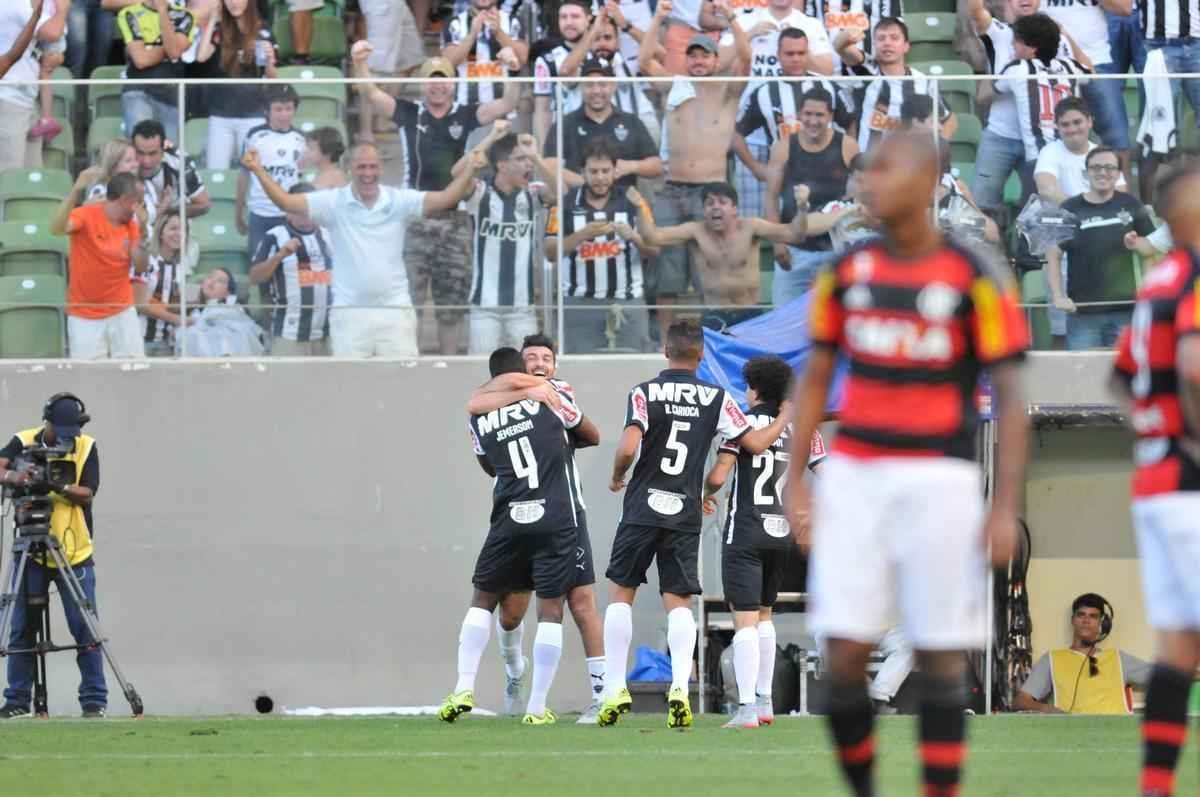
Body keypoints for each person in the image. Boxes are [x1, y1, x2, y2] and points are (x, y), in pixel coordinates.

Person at [784, 133, 1029, 797]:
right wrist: (794, 478)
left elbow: (1009, 396)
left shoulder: (975, 275)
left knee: (942, 658)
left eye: (883, 167)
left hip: (940, 479)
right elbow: (816, 380)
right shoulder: (846, 272)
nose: (868, 179)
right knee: (841, 656)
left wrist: (1003, 505)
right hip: (857, 477)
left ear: (927, 182)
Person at [597, 318, 791, 728]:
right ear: (702, 356)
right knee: (679, 600)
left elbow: (629, 445)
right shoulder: (718, 398)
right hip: (685, 511)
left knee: (622, 591)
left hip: (642, 507)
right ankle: (680, 689)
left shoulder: (645, 391)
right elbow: (753, 443)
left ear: (665, 351)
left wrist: (618, 475)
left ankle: (613, 688)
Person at [1109, 162, 1200, 797]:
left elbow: (1119, 377)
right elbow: (1194, 367)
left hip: (1155, 481)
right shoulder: (1191, 275)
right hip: (1190, 481)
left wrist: (1155, 432)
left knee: (1179, 648)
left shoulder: (1155, 281)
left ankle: (1156, 785)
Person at [441, 347, 591, 726]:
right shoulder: (550, 399)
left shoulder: (478, 417)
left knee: (482, 601)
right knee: (551, 609)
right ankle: (537, 707)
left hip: (510, 516)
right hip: (555, 514)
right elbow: (590, 434)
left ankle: (463, 687)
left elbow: (487, 464)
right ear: (518, 374)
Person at [241, 141, 487, 358]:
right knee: (351, 390)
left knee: (401, 386)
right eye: (361, 167)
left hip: (395, 311)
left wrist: (471, 170)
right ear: (349, 169)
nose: (367, 173)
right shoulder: (332, 202)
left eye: (373, 166)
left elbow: (445, 198)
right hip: (349, 313)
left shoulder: (399, 200)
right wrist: (258, 170)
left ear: (381, 168)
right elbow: (285, 201)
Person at [351, 46, 518, 355]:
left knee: (451, 303)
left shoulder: (467, 113)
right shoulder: (409, 112)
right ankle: (408, 361)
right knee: (409, 299)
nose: (438, 85)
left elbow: (508, 102)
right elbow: (371, 94)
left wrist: (510, 69)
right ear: (424, 84)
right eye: (432, 79)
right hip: (414, 216)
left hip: (456, 218)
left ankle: (447, 366)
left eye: (444, 80)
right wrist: (359, 62)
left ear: (453, 83)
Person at [701, 355, 827, 729]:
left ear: (754, 389)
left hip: (746, 530)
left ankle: (745, 709)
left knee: (744, 620)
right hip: (781, 532)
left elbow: (721, 475)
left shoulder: (741, 424)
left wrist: (704, 491)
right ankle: (766, 702)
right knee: (766, 615)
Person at [639, 2, 749, 341]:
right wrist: (658, 17)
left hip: (711, 192)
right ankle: (663, 342)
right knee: (666, 274)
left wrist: (730, 16)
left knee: (713, 274)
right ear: (686, 60)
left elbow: (746, 58)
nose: (699, 61)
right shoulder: (675, 86)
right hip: (672, 189)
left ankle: (715, 340)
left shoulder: (728, 92)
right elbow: (644, 63)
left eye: (706, 56)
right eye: (693, 56)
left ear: (716, 61)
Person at [0, 394, 106, 719]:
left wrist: (56, 485)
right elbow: (2, 466)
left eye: (69, 430)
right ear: (46, 421)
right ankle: (17, 699)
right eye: (58, 429)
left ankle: (94, 701)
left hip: (73, 553)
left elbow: (88, 492)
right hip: (31, 550)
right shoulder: (24, 441)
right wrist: (13, 478)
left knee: (84, 626)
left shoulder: (86, 445)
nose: (64, 436)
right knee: (21, 628)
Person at [631, 181, 809, 330]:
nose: (715, 207)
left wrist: (802, 209)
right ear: (703, 210)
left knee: (751, 369)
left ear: (735, 209)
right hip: (714, 315)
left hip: (750, 313)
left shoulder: (751, 227)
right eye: (709, 203)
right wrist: (640, 206)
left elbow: (795, 234)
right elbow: (651, 237)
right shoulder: (695, 231)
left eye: (722, 202)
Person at [967, 0, 1090, 214]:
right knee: (982, 205)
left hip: (1042, 143)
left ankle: (1023, 245)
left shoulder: (1056, 37)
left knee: (1038, 209)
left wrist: (1065, 34)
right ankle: (985, 247)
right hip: (1001, 134)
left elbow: (1089, 68)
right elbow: (977, 11)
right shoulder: (1000, 31)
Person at [720, 0, 833, 221]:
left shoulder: (810, 24)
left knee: (799, 212)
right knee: (752, 218)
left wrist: (793, 46)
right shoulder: (744, 19)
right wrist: (749, 35)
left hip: (799, 136)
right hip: (751, 135)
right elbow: (718, 63)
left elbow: (827, 70)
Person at [545, 136, 657, 353]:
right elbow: (550, 252)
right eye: (593, 171)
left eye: (605, 171)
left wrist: (633, 236)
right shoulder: (563, 205)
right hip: (579, 305)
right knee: (580, 375)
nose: (600, 178)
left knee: (631, 374)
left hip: (627, 302)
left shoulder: (634, 201)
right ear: (583, 172)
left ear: (615, 171)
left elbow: (654, 250)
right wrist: (582, 234)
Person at [1046, 146, 1155, 350]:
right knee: (1082, 376)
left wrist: (1137, 244)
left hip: (1126, 311)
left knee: (1126, 378)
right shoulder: (1070, 208)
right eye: (1095, 167)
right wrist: (1058, 296)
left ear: (1118, 173)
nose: (1102, 172)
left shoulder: (1132, 204)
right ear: (1086, 172)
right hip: (1083, 313)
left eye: (1109, 167)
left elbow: (1151, 250)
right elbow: (1053, 254)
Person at [762, 88, 858, 306]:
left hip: (836, 250)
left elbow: (859, 195)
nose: (813, 121)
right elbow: (770, 197)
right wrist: (778, 243)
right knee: (783, 322)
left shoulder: (847, 146)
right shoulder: (783, 147)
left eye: (819, 115)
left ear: (830, 116)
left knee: (834, 324)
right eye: (808, 114)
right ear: (798, 114)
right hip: (796, 251)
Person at [465, 132, 554, 354]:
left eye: (528, 160)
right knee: (482, 373)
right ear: (502, 165)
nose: (528, 165)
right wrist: (489, 140)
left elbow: (561, 193)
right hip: (484, 306)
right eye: (521, 159)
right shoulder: (480, 193)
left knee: (526, 374)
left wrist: (536, 157)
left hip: (522, 308)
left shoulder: (533, 193)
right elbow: (456, 174)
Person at [50, 170, 148, 360]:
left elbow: (141, 266)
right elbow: (56, 228)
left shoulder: (132, 225)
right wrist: (76, 189)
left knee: (135, 375)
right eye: (139, 201)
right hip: (84, 315)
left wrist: (143, 232)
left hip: (122, 311)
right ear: (125, 200)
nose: (141, 207)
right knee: (88, 380)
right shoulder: (86, 215)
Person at [531, 2, 658, 145]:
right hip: (582, 137)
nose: (569, 22)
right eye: (563, 17)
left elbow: (660, 54)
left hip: (631, 137)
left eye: (575, 16)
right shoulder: (580, 65)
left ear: (618, 42)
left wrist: (626, 25)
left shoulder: (624, 61)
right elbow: (565, 73)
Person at [1041, 0, 1133, 181]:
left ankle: (1124, 203)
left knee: (1117, 139)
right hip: (1050, 64)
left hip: (1097, 61)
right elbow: (1013, 15)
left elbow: (1124, 9)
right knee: (1050, 138)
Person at [1013, 593, 1150, 714]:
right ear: (1073, 620)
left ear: (1102, 624)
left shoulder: (1119, 658)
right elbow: (1020, 701)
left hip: (1116, 737)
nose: (1086, 621)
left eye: (1093, 616)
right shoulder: (1052, 659)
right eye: (1081, 615)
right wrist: (1048, 709)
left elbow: (1163, 677)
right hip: (1071, 736)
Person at [836, 16, 957, 153]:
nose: (887, 43)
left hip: (911, 164)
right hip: (870, 166)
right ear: (874, 44)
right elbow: (840, 48)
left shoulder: (923, 81)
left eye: (894, 38)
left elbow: (949, 120)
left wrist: (937, 151)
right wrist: (846, 36)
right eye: (881, 38)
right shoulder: (867, 70)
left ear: (906, 46)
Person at [541, 56, 662, 193]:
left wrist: (632, 166)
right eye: (590, 85)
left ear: (613, 86)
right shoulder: (564, 125)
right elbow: (549, 167)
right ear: (581, 87)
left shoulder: (631, 122)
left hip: (624, 207)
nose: (596, 91)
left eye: (602, 84)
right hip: (577, 207)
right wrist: (589, 183)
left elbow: (656, 166)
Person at [193, 0, 279, 170]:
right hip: (220, 114)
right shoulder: (220, 30)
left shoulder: (262, 30)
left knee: (252, 172)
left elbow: (272, 77)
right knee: (215, 170)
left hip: (252, 113)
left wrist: (269, 61)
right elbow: (201, 56)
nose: (233, 2)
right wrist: (212, 20)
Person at [994, 14, 1090, 167]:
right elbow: (1092, 74)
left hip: (1039, 158)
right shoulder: (1070, 66)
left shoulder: (1016, 69)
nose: (1012, 44)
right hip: (1073, 154)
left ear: (1032, 48)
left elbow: (987, 92)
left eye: (1017, 41)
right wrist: (1064, 34)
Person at [249, 183, 333, 356]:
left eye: (309, 206)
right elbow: (255, 277)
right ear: (288, 210)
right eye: (298, 206)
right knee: (287, 383)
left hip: (327, 334)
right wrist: (280, 255)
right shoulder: (275, 236)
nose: (304, 212)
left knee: (328, 383)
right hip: (289, 335)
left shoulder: (329, 236)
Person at [236, 84, 306, 259]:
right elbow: (244, 175)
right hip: (261, 213)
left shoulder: (300, 138)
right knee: (259, 265)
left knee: (291, 266)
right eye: (278, 109)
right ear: (267, 111)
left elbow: (302, 177)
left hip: (290, 214)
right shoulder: (255, 136)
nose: (284, 114)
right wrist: (238, 212)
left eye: (289, 109)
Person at [116, 0, 196, 143]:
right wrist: (167, 46)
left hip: (170, 96)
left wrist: (162, 12)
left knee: (170, 154)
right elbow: (140, 60)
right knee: (140, 148)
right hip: (137, 90)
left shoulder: (185, 15)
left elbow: (174, 52)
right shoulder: (129, 13)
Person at [1035, 97, 1128, 205]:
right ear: (1057, 127)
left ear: (1089, 122)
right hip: (1062, 218)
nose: (1072, 129)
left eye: (1077, 122)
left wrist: (1095, 213)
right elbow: (1046, 191)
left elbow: (1120, 191)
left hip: (1099, 217)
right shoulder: (1049, 152)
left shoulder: (1104, 155)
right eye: (1065, 124)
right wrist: (1080, 212)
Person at [0, 0, 54, 172]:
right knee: (10, 176)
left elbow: (12, 56)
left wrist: (34, 19)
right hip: (10, 101)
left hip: (28, 100)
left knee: (33, 175)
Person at [440, 0, 526, 106]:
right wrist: (472, 35)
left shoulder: (513, 21)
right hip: (464, 108)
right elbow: (447, 65)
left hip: (504, 111)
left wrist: (499, 33)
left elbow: (522, 60)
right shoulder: (454, 23)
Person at [133, 209, 193, 356]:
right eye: (173, 228)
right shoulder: (148, 261)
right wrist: (176, 319)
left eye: (183, 229)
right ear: (160, 232)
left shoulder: (181, 267)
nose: (179, 234)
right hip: (139, 338)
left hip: (166, 342)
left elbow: (170, 304)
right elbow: (139, 303)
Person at [132, 119, 211, 225]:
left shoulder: (180, 162)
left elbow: (204, 205)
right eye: (140, 153)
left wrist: (169, 211)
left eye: (152, 153)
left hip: (169, 227)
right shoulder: (123, 161)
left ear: (163, 149)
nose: (146, 161)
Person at [176, 266, 265, 356]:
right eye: (210, 277)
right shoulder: (194, 309)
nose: (213, 282)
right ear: (202, 284)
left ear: (228, 293)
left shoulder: (233, 310)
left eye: (220, 281)